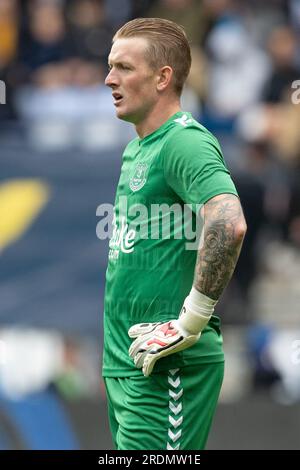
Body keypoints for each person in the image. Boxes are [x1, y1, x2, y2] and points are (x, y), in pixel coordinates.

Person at [102, 17, 247, 450]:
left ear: (163, 77)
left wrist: (193, 320)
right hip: (130, 365)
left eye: (124, 68)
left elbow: (228, 220)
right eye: (110, 66)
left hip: (169, 369)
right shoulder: (138, 146)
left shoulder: (183, 142)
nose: (109, 79)